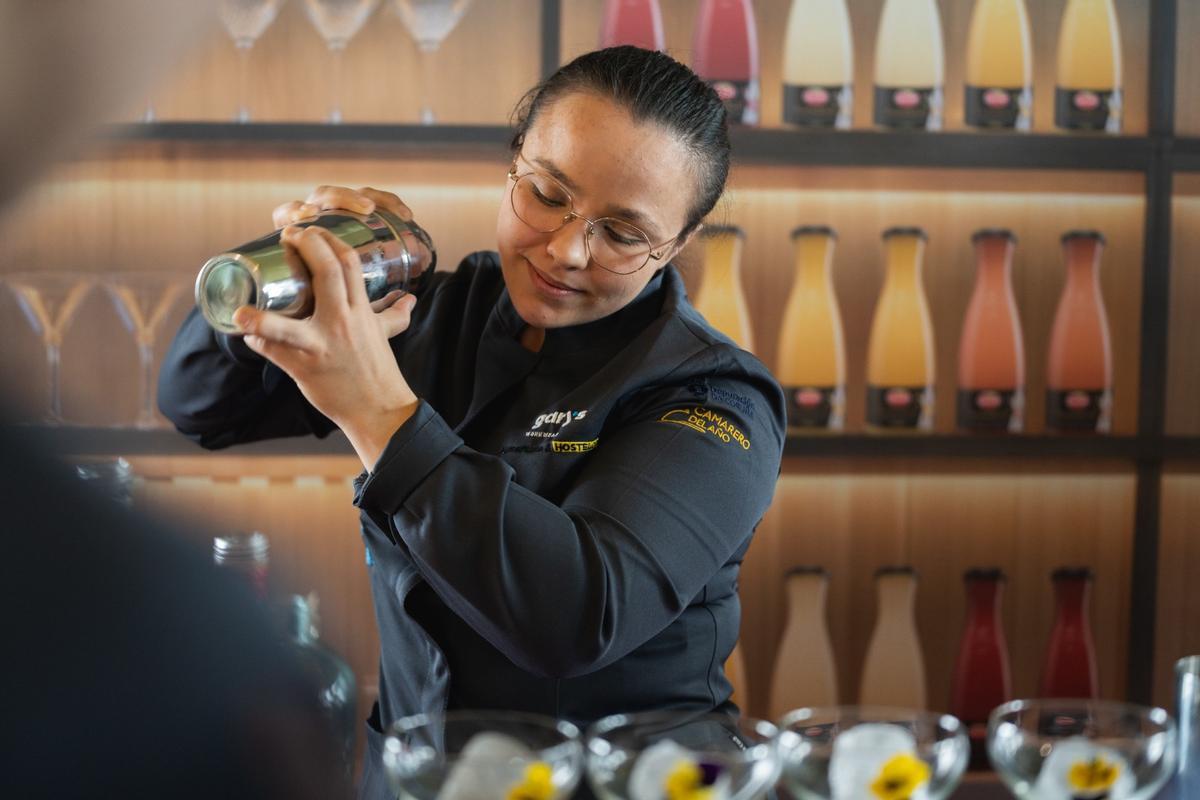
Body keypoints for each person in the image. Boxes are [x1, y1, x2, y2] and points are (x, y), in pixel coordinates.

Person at [158, 45, 786, 797]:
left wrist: (380, 413)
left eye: (622, 233)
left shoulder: (717, 398)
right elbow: (199, 403)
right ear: (514, 161)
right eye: (548, 193)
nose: (566, 249)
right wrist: (289, 268)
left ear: (677, 245)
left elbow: (577, 614)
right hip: (417, 780)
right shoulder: (433, 313)